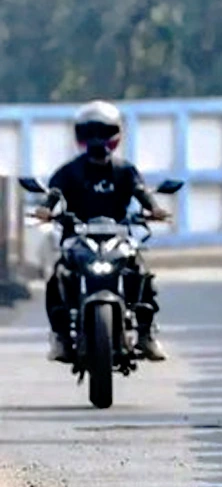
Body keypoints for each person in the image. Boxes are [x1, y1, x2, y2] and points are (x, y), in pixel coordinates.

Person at [33, 101, 172, 362]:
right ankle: (61, 336)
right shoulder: (68, 171)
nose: (97, 139)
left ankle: (145, 334)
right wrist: (44, 209)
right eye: (90, 132)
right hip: (78, 238)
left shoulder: (125, 170)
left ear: (116, 134)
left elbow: (141, 192)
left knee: (141, 272)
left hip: (118, 237)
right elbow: (53, 195)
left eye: (104, 131)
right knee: (58, 277)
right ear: (80, 136)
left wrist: (155, 209)